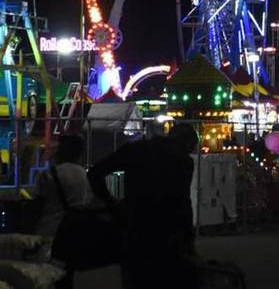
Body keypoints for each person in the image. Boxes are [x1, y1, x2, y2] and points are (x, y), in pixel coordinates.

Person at [88, 123, 200, 288]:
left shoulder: (137, 150)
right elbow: (184, 204)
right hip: (169, 238)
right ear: (186, 144)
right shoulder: (183, 162)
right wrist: (189, 241)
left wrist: (112, 205)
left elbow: (96, 173)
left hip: (134, 231)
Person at [36, 135, 94, 289]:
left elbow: (38, 202)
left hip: (51, 231)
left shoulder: (50, 174)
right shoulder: (84, 174)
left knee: (46, 277)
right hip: (75, 232)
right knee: (67, 276)